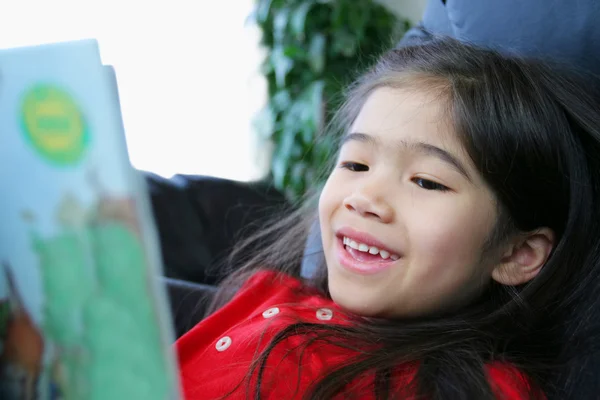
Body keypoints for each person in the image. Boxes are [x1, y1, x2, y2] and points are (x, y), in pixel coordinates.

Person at [175, 38, 600, 399]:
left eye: (427, 182)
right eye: (356, 165)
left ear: (517, 252)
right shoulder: (267, 292)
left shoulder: (475, 387)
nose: (365, 197)